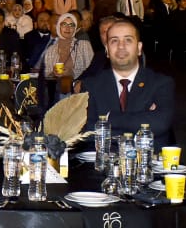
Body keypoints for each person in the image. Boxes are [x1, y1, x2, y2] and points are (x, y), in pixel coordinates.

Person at [83, 17, 175, 147]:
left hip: (148, 157)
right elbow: (87, 132)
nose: (121, 46)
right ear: (107, 50)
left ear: (139, 48)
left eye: (128, 40)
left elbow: (160, 123)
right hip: (106, 158)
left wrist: (109, 118)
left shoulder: (161, 83)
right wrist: (143, 120)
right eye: (114, 41)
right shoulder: (91, 85)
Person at [43, 12, 94, 79]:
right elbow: (46, 74)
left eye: (71, 25)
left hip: (79, 84)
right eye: (64, 24)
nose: (67, 28)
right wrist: (53, 73)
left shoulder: (84, 45)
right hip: (57, 84)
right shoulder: (51, 50)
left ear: (75, 28)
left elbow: (93, 70)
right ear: (59, 27)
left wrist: (72, 73)